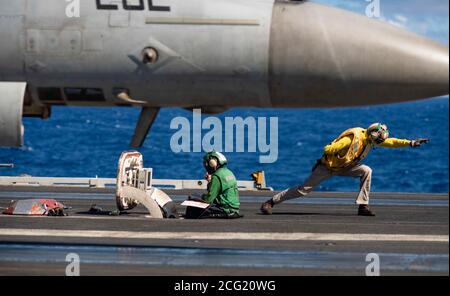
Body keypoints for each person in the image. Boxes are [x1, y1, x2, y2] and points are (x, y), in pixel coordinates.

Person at [260, 123, 429, 216]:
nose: (378, 144)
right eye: (377, 141)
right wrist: (331, 150)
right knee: (303, 190)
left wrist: (411, 143)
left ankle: (363, 206)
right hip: (328, 167)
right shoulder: (352, 139)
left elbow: (391, 142)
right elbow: (329, 148)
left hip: (346, 167)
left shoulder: (371, 139)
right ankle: (271, 202)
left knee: (366, 171)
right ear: (372, 135)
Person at [186, 151, 241, 219]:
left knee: (193, 197)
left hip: (224, 209)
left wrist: (200, 198)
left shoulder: (217, 176)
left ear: (212, 163)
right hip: (234, 209)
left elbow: (209, 199)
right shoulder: (228, 172)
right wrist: (210, 181)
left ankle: (189, 216)